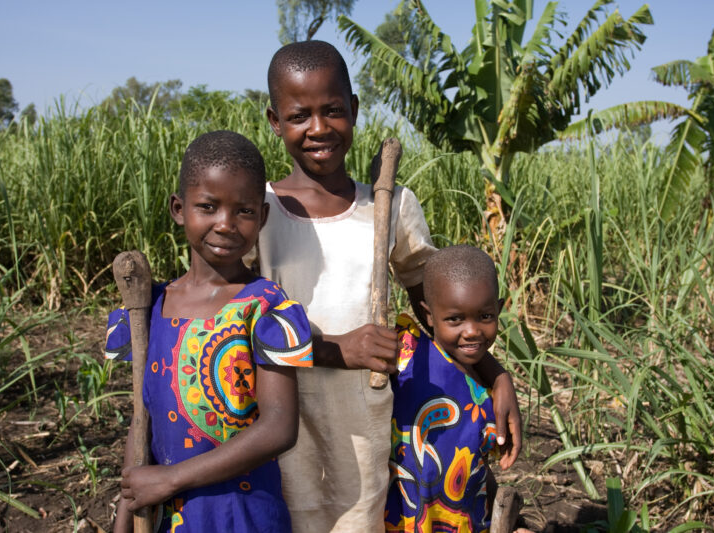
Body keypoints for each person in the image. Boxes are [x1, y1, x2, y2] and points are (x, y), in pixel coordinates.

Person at [259, 40, 522, 531]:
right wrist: (338, 349)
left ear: (354, 110)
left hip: (367, 430)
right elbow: (240, 326)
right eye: (299, 116)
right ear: (275, 121)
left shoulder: (390, 208)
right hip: (281, 428)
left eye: (333, 110)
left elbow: (437, 312)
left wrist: (495, 374)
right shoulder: (258, 213)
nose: (319, 128)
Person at [106, 130, 313, 533]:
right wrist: (124, 521)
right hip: (167, 518)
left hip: (243, 517)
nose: (226, 224)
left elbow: (279, 427)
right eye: (208, 207)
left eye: (244, 211)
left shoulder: (265, 308)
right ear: (178, 209)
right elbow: (141, 420)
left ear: (262, 217)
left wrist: (171, 479)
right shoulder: (149, 309)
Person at [386, 245, 529, 532]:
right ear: (428, 315)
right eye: (455, 319)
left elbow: (480, 471)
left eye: (485, 316)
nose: (472, 331)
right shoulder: (407, 356)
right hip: (398, 518)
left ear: (499, 309)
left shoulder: (490, 397)